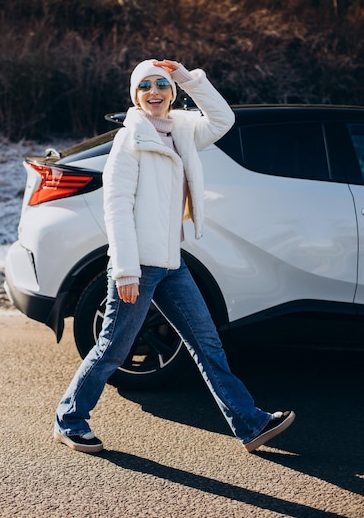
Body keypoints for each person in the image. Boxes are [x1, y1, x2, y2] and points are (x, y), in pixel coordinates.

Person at [54, 58, 295, 454]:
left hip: (171, 262)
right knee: (114, 348)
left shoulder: (181, 130)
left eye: (162, 85)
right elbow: (115, 206)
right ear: (135, 95)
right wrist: (126, 270)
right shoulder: (129, 139)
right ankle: (70, 419)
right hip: (138, 265)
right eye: (145, 85)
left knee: (207, 344)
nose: (154, 92)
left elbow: (222, 120)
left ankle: (249, 424)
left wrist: (188, 77)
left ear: (173, 92)